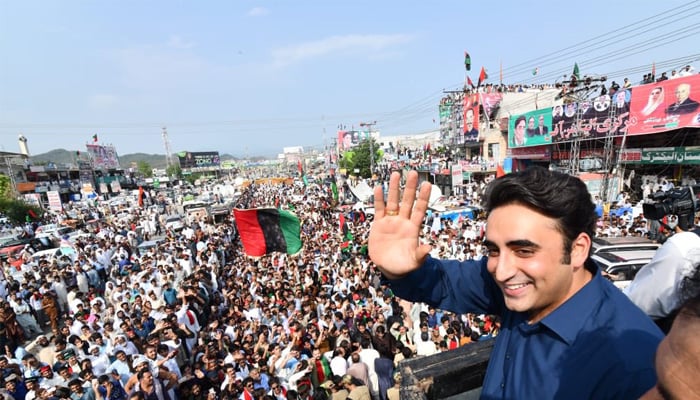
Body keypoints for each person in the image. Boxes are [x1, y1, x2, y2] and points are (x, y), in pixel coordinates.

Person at [368, 168, 663, 399]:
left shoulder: (634, 367)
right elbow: (446, 283)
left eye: (524, 251)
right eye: (493, 250)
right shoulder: (521, 287)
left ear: (577, 250)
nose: (501, 271)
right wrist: (401, 271)